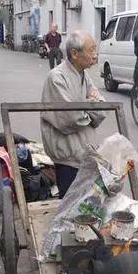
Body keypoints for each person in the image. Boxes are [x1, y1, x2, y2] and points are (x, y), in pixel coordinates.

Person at [40, 30, 105, 198]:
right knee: (70, 206)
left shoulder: (84, 75)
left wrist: (88, 108)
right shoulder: (57, 77)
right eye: (91, 50)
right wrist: (90, 106)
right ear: (75, 54)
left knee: (87, 203)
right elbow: (71, 118)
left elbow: (101, 105)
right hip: (68, 155)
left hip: (85, 151)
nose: (95, 55)